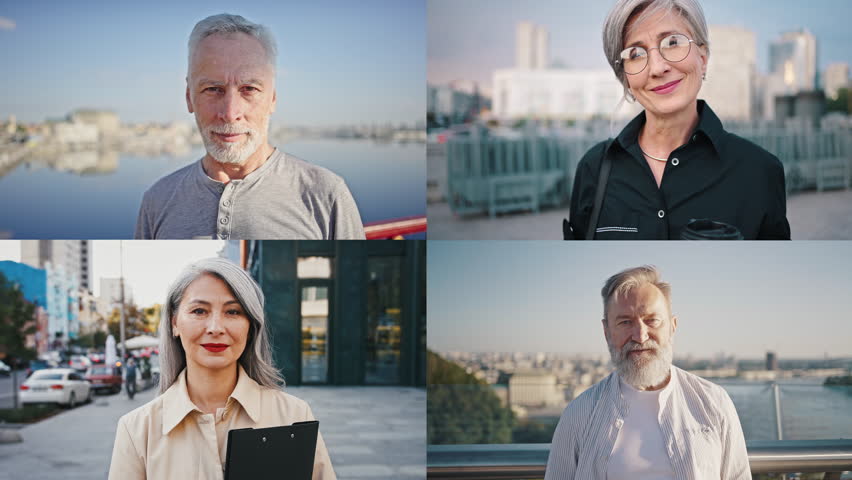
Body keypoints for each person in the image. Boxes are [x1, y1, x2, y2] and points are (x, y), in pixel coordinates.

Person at [565, 0, 790, 240]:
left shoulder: (760, 171)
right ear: (625, 78)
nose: (657, 67)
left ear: (702, 58)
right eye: (635, 53)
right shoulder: (594, 169)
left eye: (672, 42)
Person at [135, 14, 364, 240]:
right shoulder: (157, 201)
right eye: (213, 89)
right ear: (188, 97)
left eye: (249, 89)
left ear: (272, 98)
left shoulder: (326, 194)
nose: (230, 113)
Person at [108, 258, 335, 479]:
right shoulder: (137, 429)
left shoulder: (293, 415)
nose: (215, 328)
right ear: (174, 322)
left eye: (233, 312)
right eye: (199, 311)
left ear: (251, 326)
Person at [544, 266, 750, 479]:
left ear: (672, 326)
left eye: (652, 320)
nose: (640, 336)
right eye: (625, 322)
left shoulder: (713, 401)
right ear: (607, 332)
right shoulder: (580, 413)